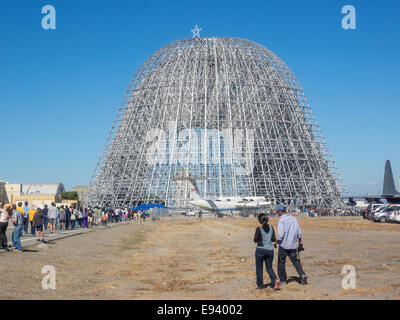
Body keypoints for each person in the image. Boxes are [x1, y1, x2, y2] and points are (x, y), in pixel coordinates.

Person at [276, 204, 307, 285]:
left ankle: (283, 280)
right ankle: (302, 275)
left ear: (280, 211)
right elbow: (299, 232)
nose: (277, 213)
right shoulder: (293, 218)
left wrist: (277, 241)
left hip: (284, 245)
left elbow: (281, 234)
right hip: (293, 245)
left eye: (277, 212)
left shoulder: (281, 220)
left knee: (281, 262)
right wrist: (300, 241)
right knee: (295, 261)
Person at [253, 213, 280, 291]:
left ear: (259, 220)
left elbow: (255, 240)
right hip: (270, 250)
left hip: (260, 250)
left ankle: (260, 286)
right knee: (269, 267)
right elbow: (274, 239)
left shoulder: (259, 229)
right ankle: (275, 280)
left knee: (259, 269)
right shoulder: (271, 228)